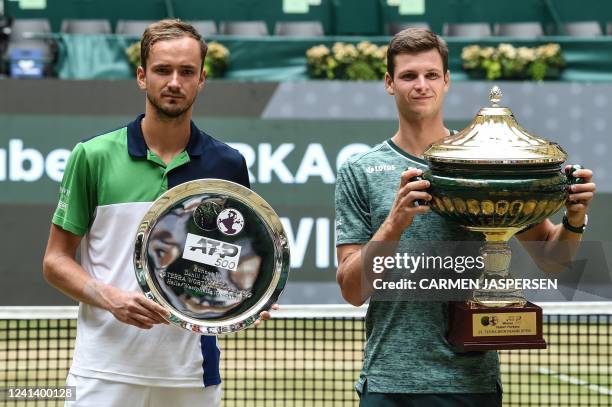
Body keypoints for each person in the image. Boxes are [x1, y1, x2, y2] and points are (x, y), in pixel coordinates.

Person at [334, 28, 596, 407]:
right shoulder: (360, 170)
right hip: (390, 382)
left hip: (472, 382)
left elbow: (554, 262)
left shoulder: (487, 163)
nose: (420, 85)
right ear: (390, 83)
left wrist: (574, 218)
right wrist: (394, 223)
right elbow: (352, 291)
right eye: (408, 76)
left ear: (447, 81)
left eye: (431, 75)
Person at [43, 19, 274, 407]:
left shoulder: (228, 164)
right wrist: (111, 298)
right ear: (141, 76)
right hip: (103, 370)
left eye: (186, 72)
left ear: (202, 79)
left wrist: (245, 297)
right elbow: (54, 261)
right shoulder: (93, 156)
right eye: (162, 70)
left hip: (190, 375)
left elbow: (226, 265)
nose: (174, 82)